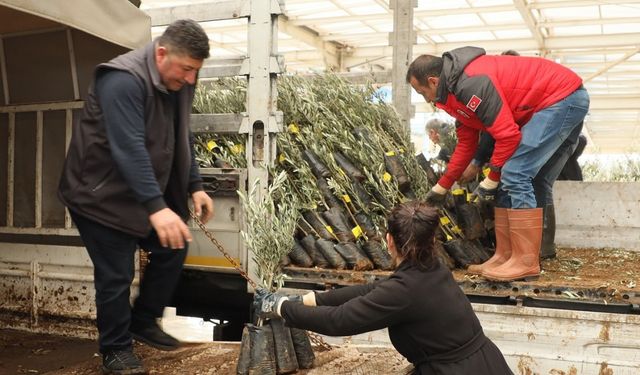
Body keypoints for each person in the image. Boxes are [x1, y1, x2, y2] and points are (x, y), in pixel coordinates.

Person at [58, 19, 213, 374]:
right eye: (187, 69)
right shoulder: (122, 80)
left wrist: (195, 184)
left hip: (138, 191)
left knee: (173, 245)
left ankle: (141, 320)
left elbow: (180, 134)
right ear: (161, 53)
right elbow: (128, 149)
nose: (191, 79)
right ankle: (115, 348)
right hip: (99, 195)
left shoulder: (179, 80)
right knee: (115, 274)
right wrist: (157, 208)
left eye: (195, 72)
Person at [255, 201, 513, 375]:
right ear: (432, 241)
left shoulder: (406, 290)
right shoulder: (432, 269)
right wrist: (311, 300)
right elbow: (370, 292)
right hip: (486, 362)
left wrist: (281, 307)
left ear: (389, 241)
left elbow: (338, 322)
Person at [406, 47, 589, 281]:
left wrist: (492, 177)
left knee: (515, 173)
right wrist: (443, 186)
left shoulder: (470, 83)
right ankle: (506, 255)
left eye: (422, 92)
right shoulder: (454, 93)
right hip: (561, 99)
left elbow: (508, 135)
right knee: (532, 178)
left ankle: (526, 261)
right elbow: (466, 144)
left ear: (433, 81)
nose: (426, 99)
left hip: (560, 98)